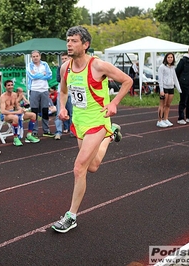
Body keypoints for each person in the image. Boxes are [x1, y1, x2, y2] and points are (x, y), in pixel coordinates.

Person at [51, 26, 132, 233]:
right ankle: (111, 135)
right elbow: (63, 91)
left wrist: (114, 103)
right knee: (93, 166)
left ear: (85, 44)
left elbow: (127, 81)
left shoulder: (98, 66)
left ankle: (71, 216)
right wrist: (61, 107)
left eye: (74, 41)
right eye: (68, 40)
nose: (69, 44)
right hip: (79, 122)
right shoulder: (65, 68)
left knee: (79, 168)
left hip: (98, 120)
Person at [0, 80, 40, 146]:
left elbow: (17, 106)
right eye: (8, 85)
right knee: (16, 117)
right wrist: (16, 112)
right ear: (5, 87)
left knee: (33, 115)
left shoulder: (14, 95)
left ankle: (29, 135)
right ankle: (16, 138)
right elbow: (2, 111)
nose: (10, 86)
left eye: (11, 85)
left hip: (15, 113)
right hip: (5, 115)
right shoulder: (3, 97)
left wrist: (21, 109)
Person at [26, 50, 55, 137]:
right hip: (34, 90)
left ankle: (46, 130)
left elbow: (50, 75)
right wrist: (43, 74)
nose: (35, 58)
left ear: (40, 56)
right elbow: (32, 76)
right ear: (31, 57)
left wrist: (38, 74)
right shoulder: (29, 65)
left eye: (36, 56)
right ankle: (34, 131)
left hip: (44, 90)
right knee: (34, 111)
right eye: (33, 56)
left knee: (45, 110)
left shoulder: (45, 64)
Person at [156, 52, 182, 128]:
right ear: (166, 58)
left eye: (171, 57)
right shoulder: (162, 67)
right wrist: (161, 90)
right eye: (168, 57)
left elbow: (175, 78)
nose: (170, 59)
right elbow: (160, 79)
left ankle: (165, 119)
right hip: (164, 88)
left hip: (171, 87)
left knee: (168, 105)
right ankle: (159, 120)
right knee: (162, 105)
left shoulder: (173, 67)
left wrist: (179, 89)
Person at [54, 52, 73, 140]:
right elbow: (58, 79)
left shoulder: (74, 67)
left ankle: (73, 130)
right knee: (59, 112)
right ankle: (58, 132)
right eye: (62, 59)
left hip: (72, 92)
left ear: (70, 58)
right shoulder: (60, 68)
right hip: (62, 92)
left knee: (72, 113)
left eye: (66, 58)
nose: (64, 60)